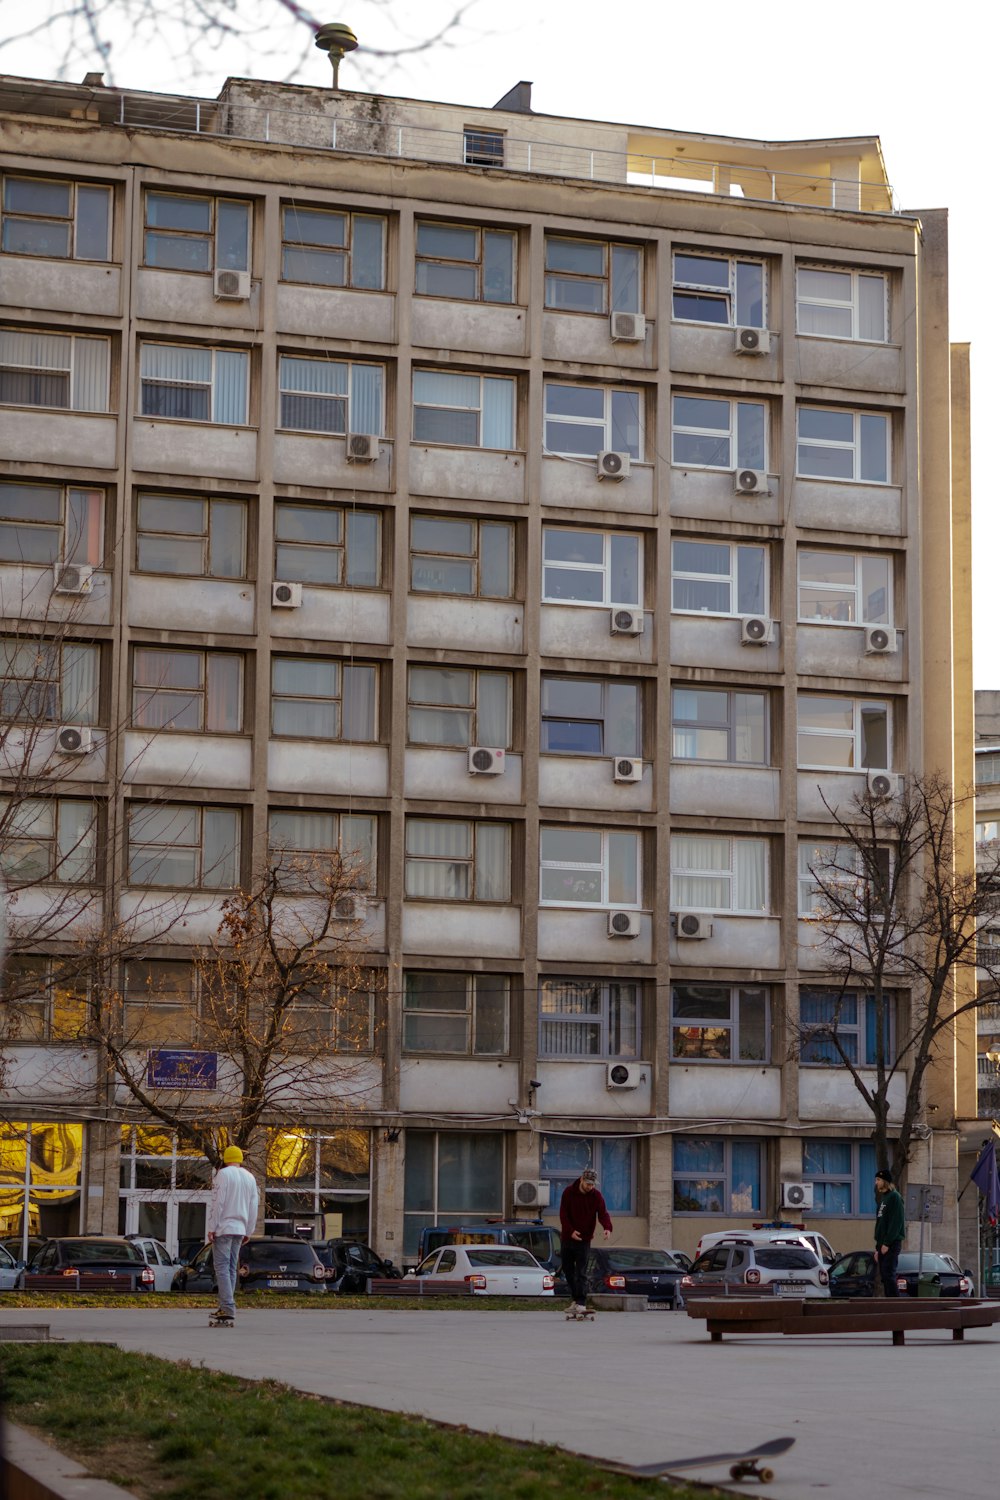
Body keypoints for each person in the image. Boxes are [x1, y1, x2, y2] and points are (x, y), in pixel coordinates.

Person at [208, 1144, 259, 1324]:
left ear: (225, 1159)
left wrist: (212, 1227)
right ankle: (227, 1305)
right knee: (230, 1267)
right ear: (240, 1160)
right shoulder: (250, 1177)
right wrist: (249, 1230)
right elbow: (254, 1206)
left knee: (221, 1267)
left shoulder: (223, 1175)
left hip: (224, 1227)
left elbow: (218, 1203)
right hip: (240, 1228)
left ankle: (228, 1306)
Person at [559, 1166, 613, 1314]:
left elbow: (603, 1214)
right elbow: (563, 1215)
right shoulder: (569, 1193)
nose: (590, 1187)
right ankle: (575, 1299)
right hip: (567, 1238)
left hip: (584, 1240)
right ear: (582, 1180)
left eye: (592, 1184)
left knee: (581, 1271)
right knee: (568, 1270)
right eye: (588, 1184)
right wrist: (570, 1231)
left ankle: (581, 1302)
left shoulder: (596, 1196)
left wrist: (607, 1228)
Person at [873, 1167, 906, 1297]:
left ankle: (895, 1304)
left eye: (878, 1179)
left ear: (885, 1181)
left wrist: (887, 1243)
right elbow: (881, 1224)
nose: (876, 1182)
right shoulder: (884, 1199)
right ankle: (888, 1302)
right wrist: (878, 1248)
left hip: (891, 1244)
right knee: (885, 1277)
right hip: (882, 1245)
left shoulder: (895, 1197)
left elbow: (896, 1222)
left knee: (889, 1274)